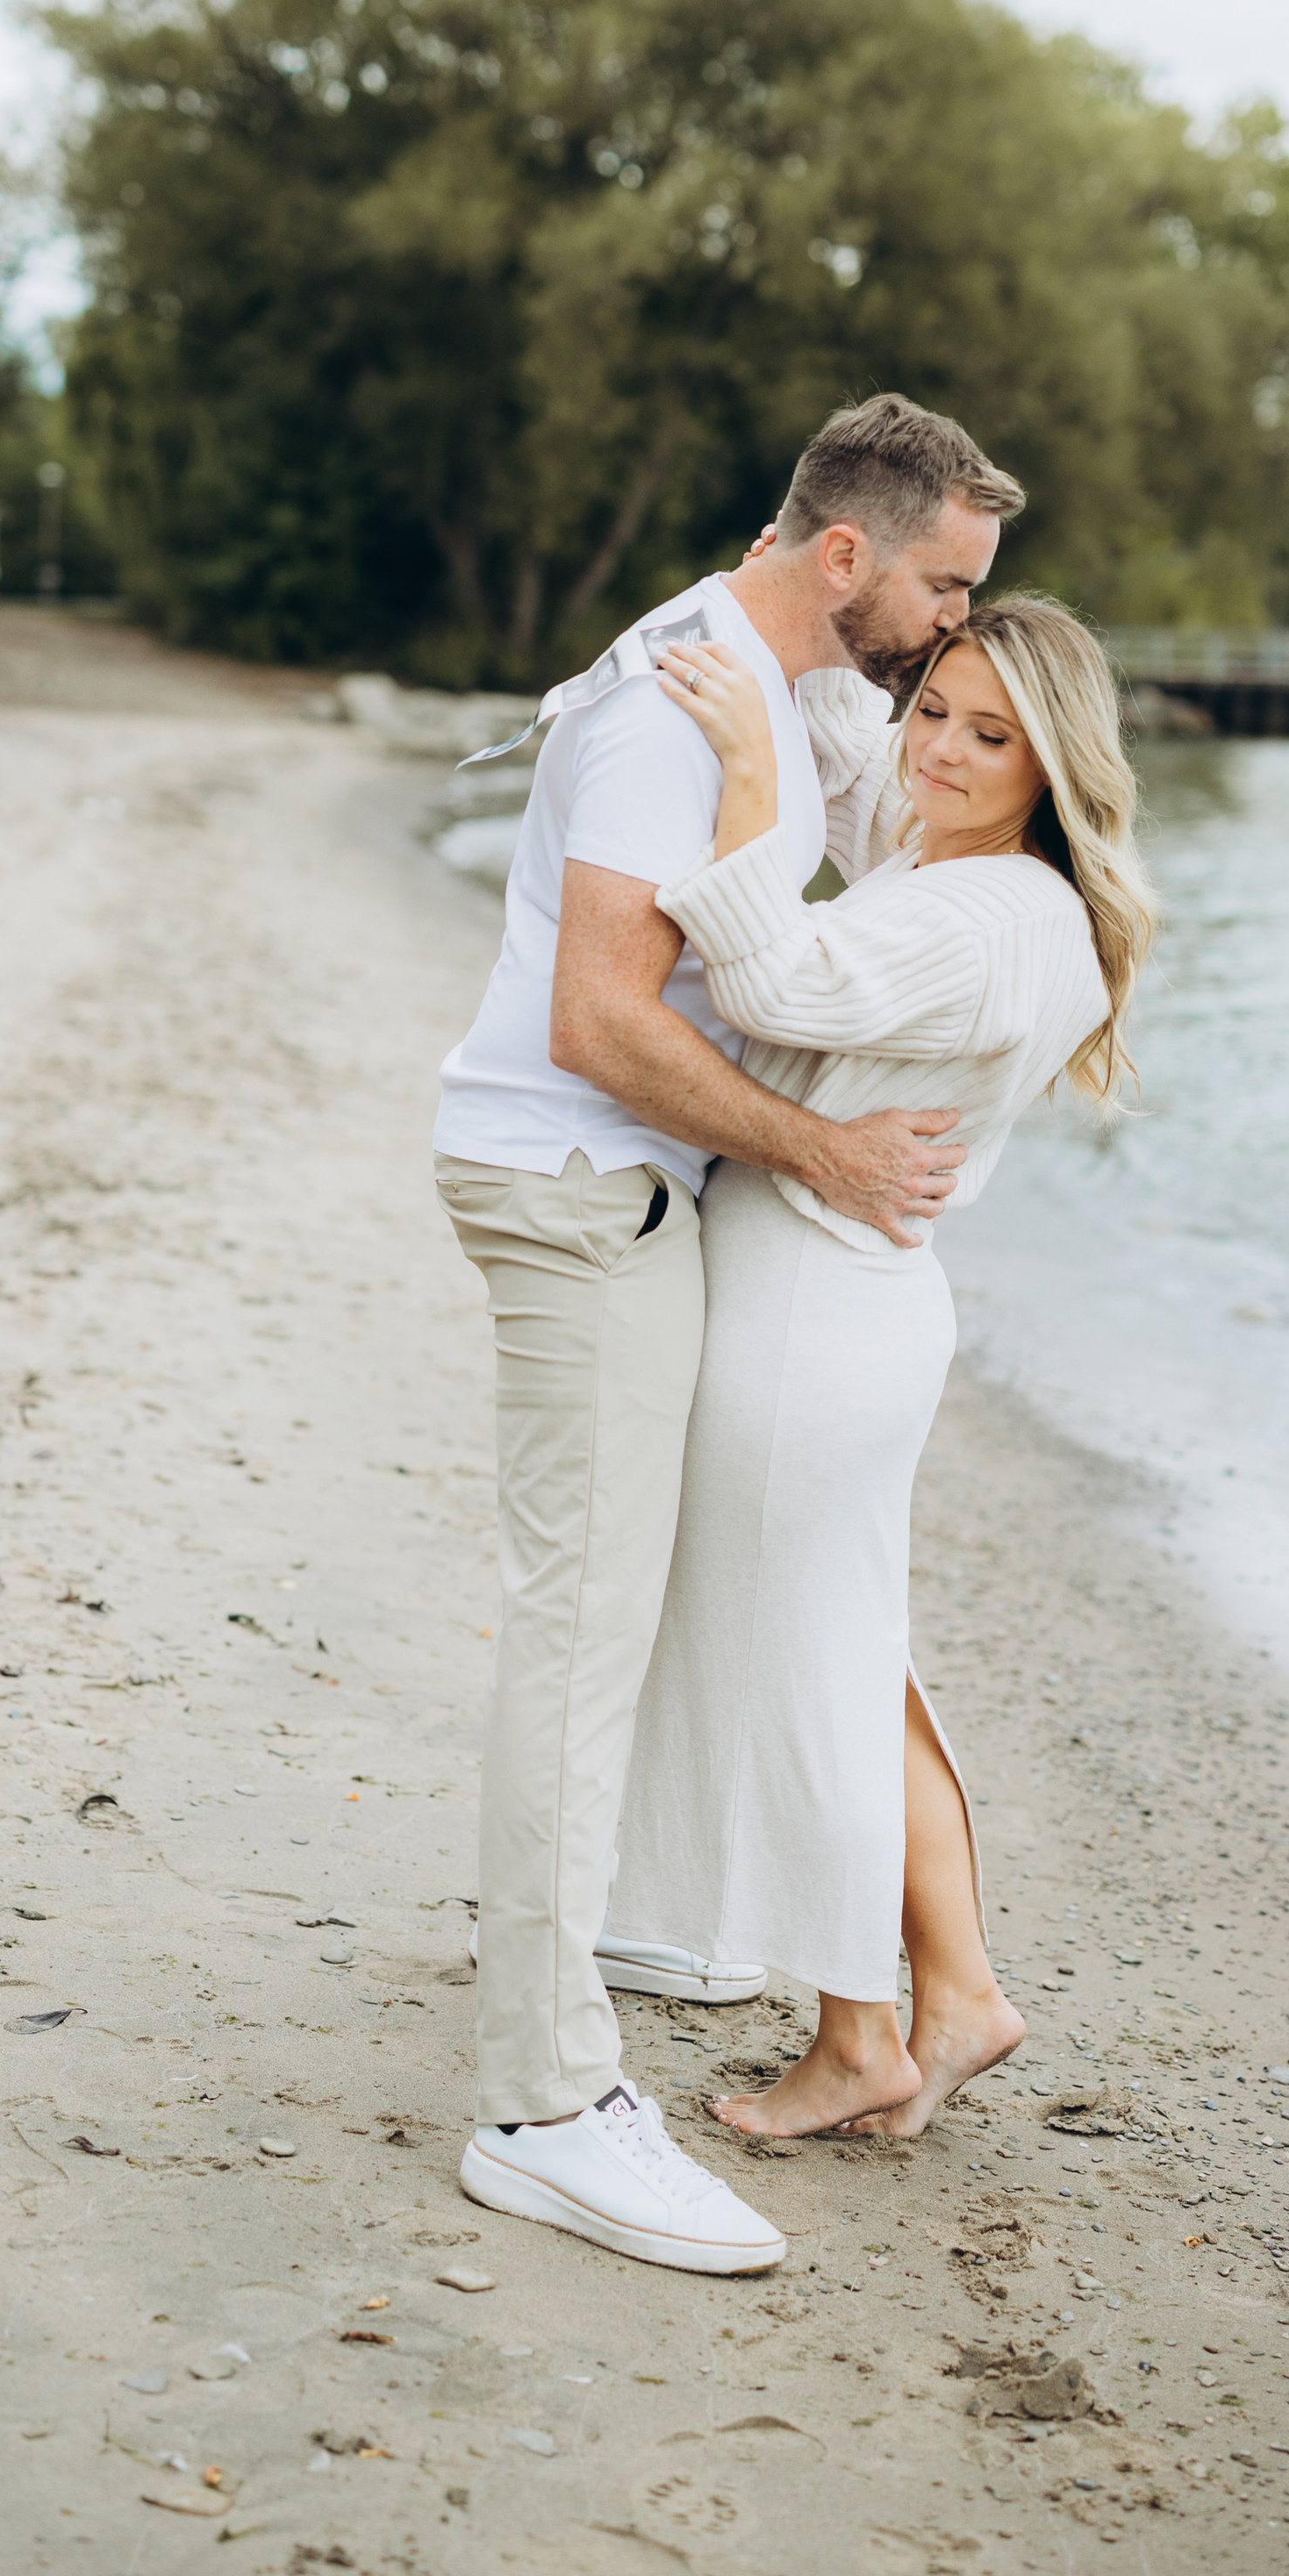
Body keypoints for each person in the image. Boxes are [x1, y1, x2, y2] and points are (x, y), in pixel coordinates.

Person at [433, 394, 1024, 2274]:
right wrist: (825, 1151)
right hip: (580, 1189)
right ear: (839, 553)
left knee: (644, 1605)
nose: (946, 629)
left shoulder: (782, 693)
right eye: (938, 585)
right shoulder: (676, 700)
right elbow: (598, 1024)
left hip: (626, 1194)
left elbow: (841, 889)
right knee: (579, 1636)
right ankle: (543, 2104)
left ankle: (614, 1953)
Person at [607, 592, 1157, 2143]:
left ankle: (863, 2037)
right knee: (853, 1663)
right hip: (841, 1301)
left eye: (994, 737)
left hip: (813, 1312)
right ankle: (959, 1991)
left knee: (816, 1675)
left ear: (1055, 764)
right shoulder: (956, 869)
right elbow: (863, 766)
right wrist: (813, 613)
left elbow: (777, 986)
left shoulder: (990, 917)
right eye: (938, 713)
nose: (945, 754)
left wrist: (734, 760)